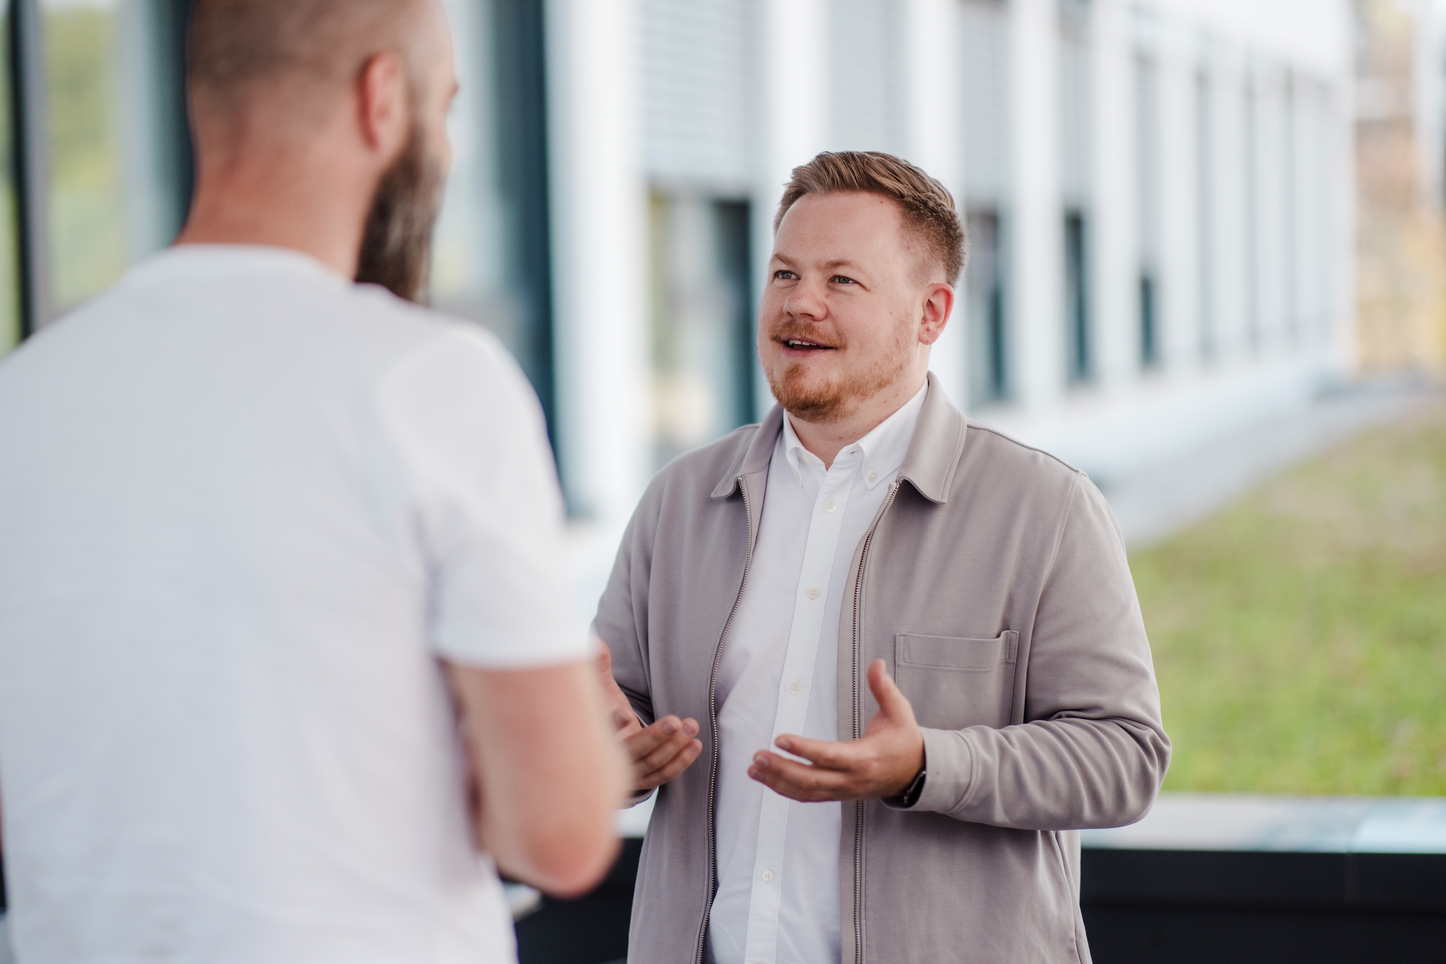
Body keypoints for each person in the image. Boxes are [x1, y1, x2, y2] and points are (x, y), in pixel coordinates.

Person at [0, 2, 625, 961]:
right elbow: (562, 836)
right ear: (382, 99)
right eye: (445, 108)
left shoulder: (25, 395)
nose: (447, 150)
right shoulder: (433, 381)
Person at [595, 151, 1170, 964]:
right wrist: (604, 751)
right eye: (785, 273)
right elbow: (612, 703)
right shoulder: (679, 501)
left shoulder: (1045, 510)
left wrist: (927, 764)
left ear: (931, 313)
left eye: (842, 281)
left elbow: (1124, 759)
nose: (800, 303)